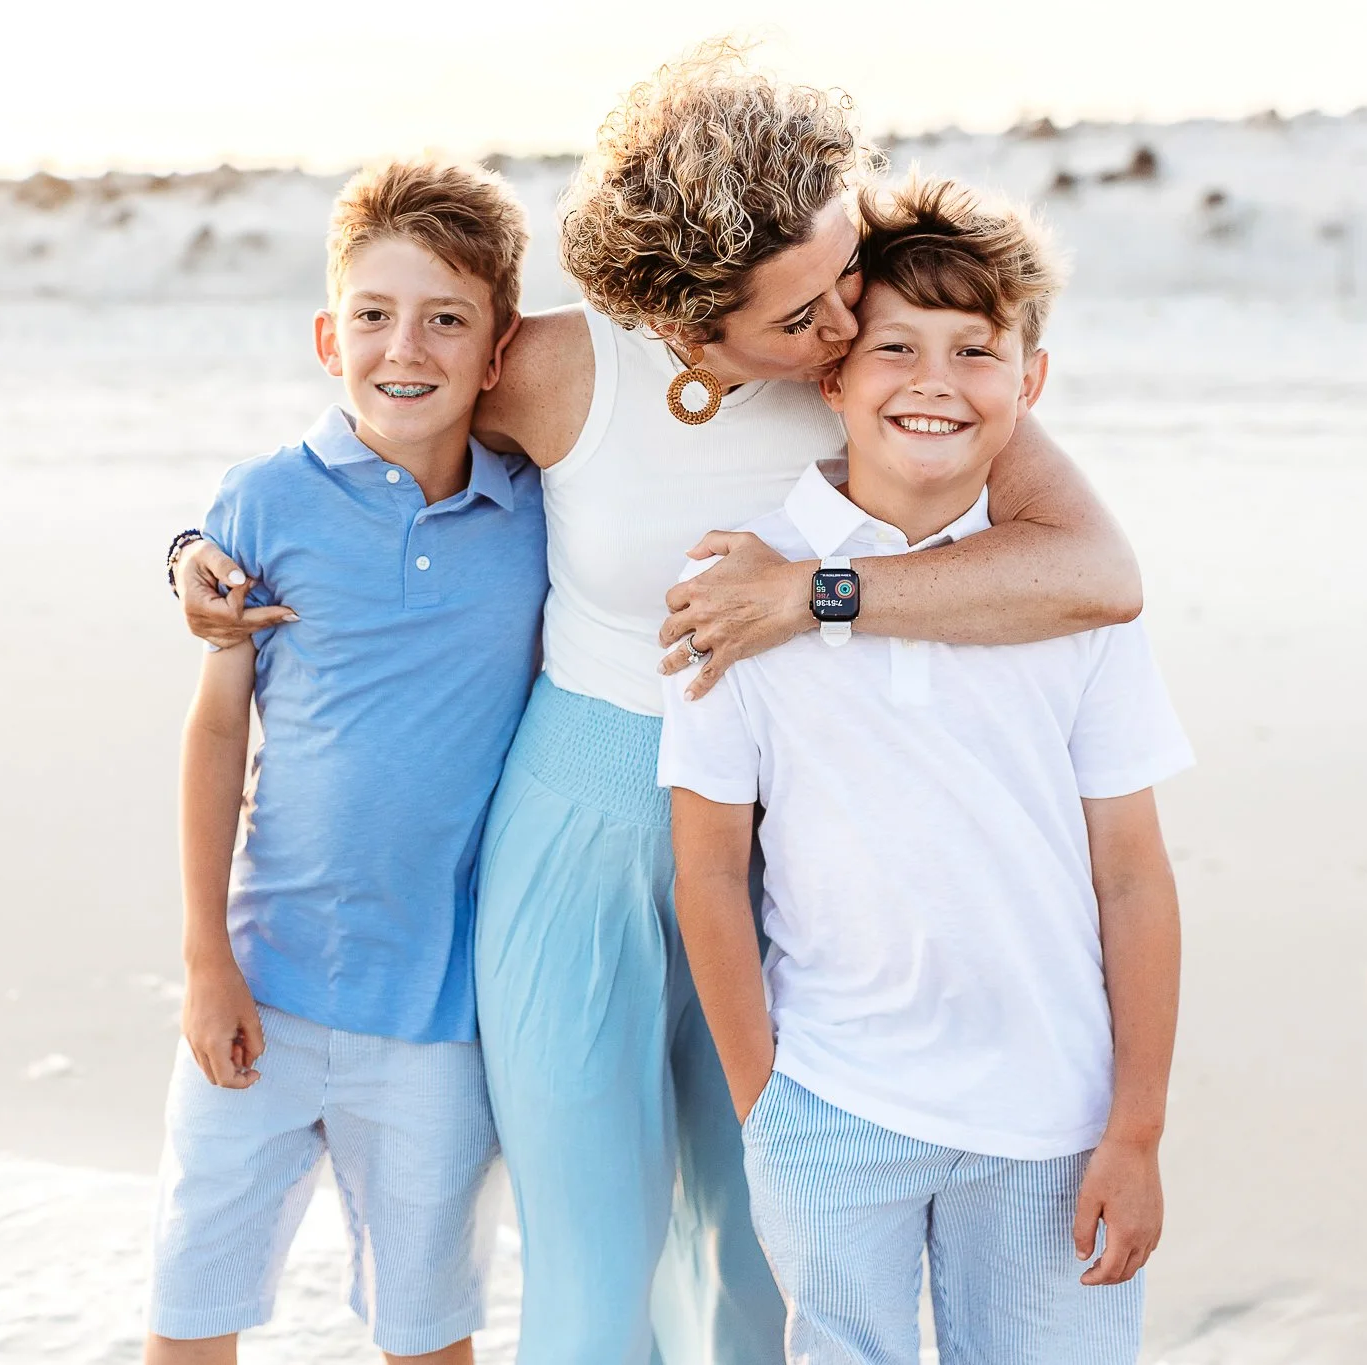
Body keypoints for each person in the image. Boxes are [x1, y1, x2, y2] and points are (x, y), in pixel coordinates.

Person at [170, 45, 1142, 1365]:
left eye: (841, 269)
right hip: (572, 817)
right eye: (796, 317)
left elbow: (1095, 570)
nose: (844, 328)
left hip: (776, 834)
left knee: (750, 1235)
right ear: (689, 323)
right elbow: (375, 415)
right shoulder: (566, 372)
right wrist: (194, 551)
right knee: (594, 1247)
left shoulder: (874, 369)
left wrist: (816, 594)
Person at [661, 174, 1191, 1365]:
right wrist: (768, 1110)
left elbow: (1133, 878)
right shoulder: (738, 595)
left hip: (1053, 1119)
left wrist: (1136, 1130)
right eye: (894, 345)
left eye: (975, 351)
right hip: (835, 1106)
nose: (934, 382)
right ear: (832, 373)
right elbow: (705, 871)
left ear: (1029, 383)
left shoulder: (1071, 602)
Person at [145, 158, 545, 1365]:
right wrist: (205, 956)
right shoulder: (265, 501)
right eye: (372, 314)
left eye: (444, 318)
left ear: (497, 349)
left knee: (423, 1332)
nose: (402, 347)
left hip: (437, 1017)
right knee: (189, 1307)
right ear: (329, 335)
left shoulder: (537, 510)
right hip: (261, 987)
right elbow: (219, 728)